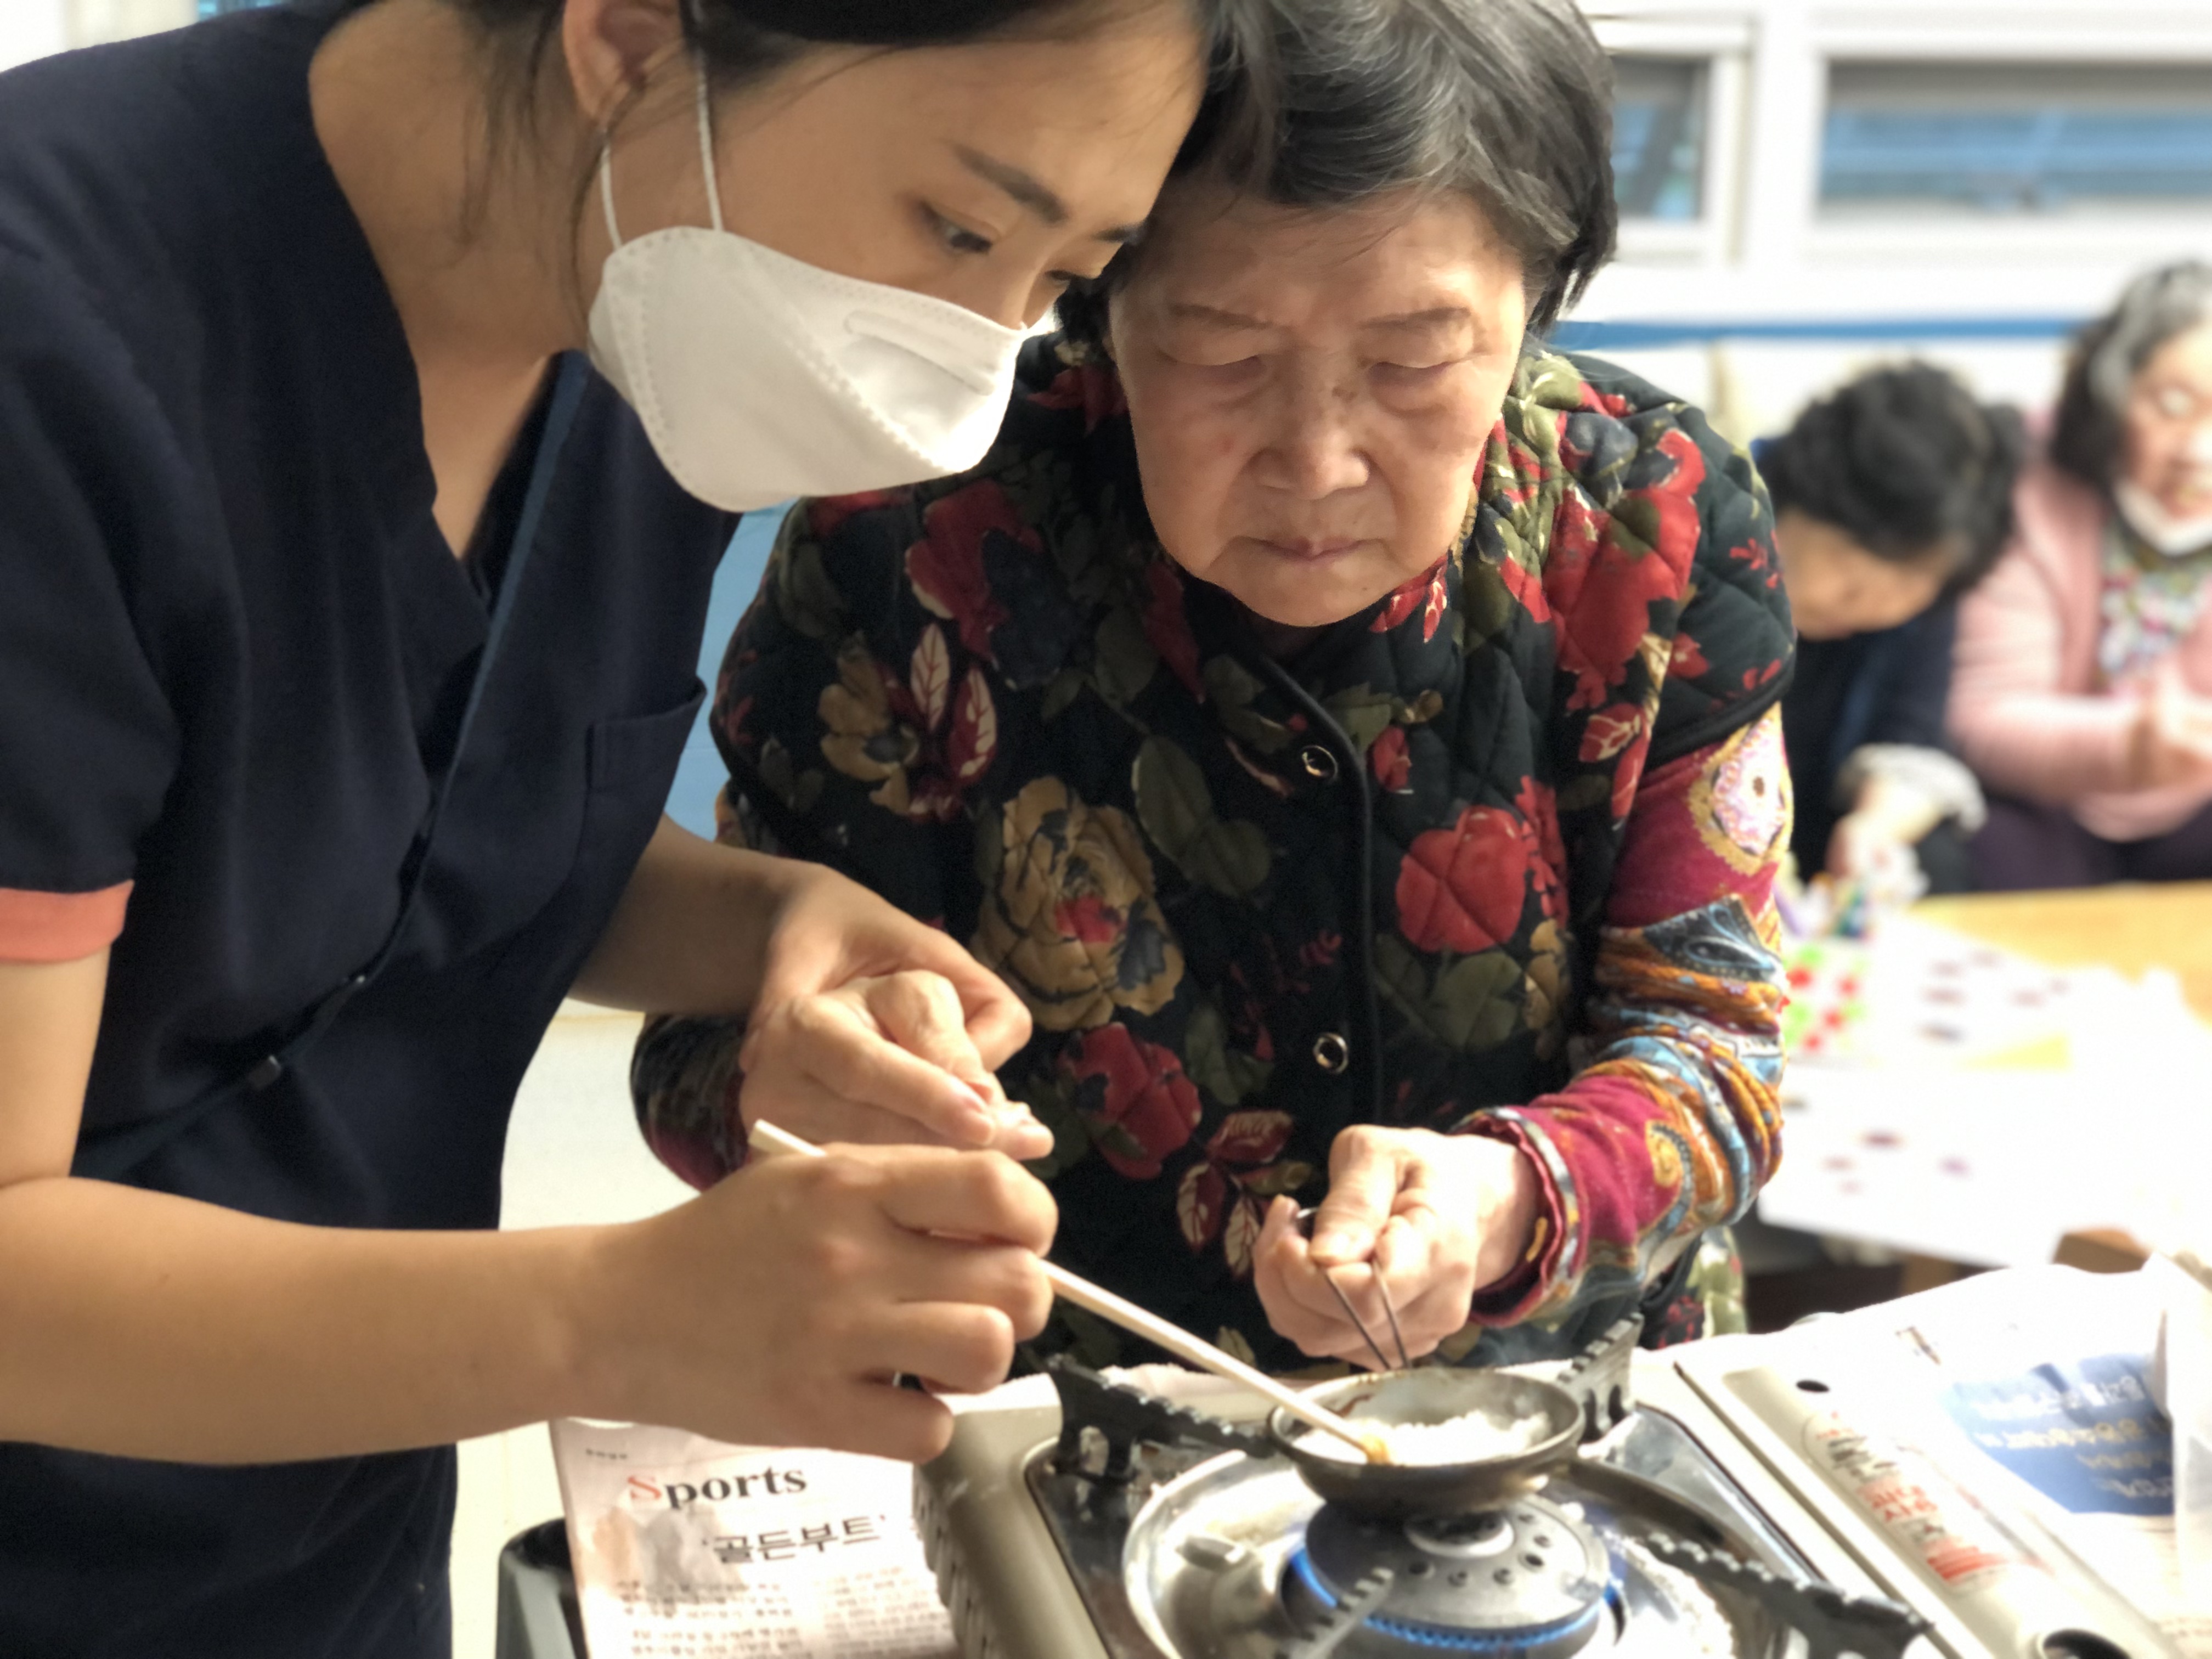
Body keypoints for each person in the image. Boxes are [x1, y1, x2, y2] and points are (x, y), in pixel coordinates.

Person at [0, 0, 1254, 1649]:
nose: (973, 359)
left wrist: (773, 928)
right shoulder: (56, 352)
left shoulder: (643, 311)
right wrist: (617, 1316)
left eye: (1065, 277)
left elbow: (420, 833)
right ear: (633, 31)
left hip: (322, 1523)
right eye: (961, 228)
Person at [634, 0, 1795, 1380]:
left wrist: (1508, 1198)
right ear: (1099, 306)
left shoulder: (1651, 523)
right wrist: (799, 1091)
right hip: (1064, 1414)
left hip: (1556, 1405)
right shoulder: (909, 542)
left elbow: (1717, 1048)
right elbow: (698, 1055)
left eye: (1413, 361)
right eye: (1224, 355)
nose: (1316, 461)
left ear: (1531, 313)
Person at [1950, 262, 2212, 889]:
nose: (2199, 453)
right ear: (2111, 397)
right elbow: (1983, 716)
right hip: (2044, 804)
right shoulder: (2024, 484)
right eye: (2173, 407)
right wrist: (2132, 749)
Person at [1759, 364, 2024, 896]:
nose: (1869, 607)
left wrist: (1874, 828)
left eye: (1907, 588)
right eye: (1849, 573)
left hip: (1819, 848)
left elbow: (1912, 734)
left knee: (1932, 856)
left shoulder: (1926, 599)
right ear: (1789, 503)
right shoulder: (1705, 540)